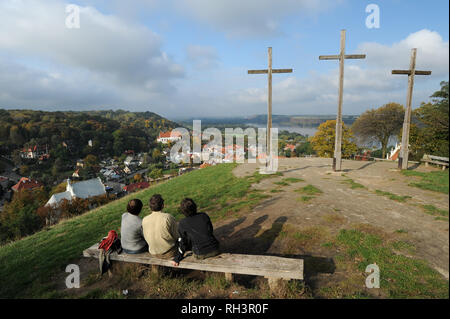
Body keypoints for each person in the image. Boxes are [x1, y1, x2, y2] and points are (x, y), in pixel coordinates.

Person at [172, 198, 220, 266]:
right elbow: (210, 231)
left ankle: (203, 271)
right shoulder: (204, 216)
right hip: (215, 248)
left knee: (188, 242)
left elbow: (183, 243)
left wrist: (177, 258)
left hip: (200, 253)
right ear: (195, 207)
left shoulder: (182, 223)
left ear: (183, 211)